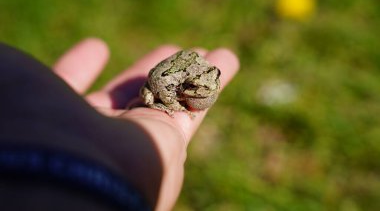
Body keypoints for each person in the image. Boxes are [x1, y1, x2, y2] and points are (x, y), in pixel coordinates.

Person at [0, 38, 239, 211]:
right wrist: (174, 105)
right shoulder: (181, 84)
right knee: (147, 97)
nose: (209, 87)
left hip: (182, 70)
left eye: (214, 76)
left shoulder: (202, 73)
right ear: (190, 84)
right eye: (198, 86)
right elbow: (164, 87)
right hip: (160, 87)